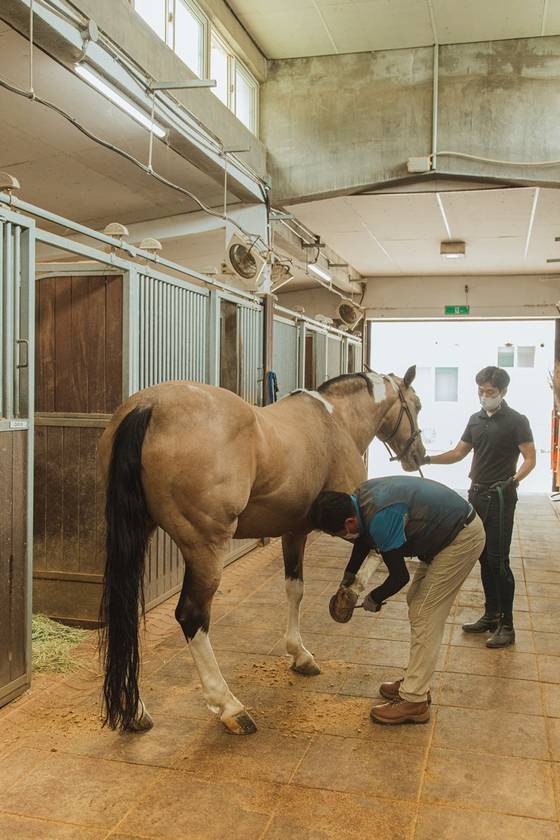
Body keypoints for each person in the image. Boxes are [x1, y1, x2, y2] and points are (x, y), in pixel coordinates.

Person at [310, 476, 485, 726]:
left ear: (349, 521)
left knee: (425, 612)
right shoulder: (360, 496)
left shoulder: (381, 517)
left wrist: (374, 598)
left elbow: (399, 577)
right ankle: (417, 681)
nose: (343, 537)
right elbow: (362, 540)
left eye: (339, 534)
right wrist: (347, 581)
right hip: (443, 534)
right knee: (418, 603)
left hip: (460, 539)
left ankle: (414, 701)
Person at [422, 366, 536, 648]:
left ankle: (507, 626)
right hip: (476, 496)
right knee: (483, 557)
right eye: (481, 392)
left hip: (500, 498)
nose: (485, 397)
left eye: (491, 393)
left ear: (503, 392)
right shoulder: (475, 420)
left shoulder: (517, 421)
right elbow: (459, 453)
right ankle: (491, 614)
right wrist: (426, 460)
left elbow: (530, 459)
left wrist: (513, 481)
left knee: (499, 560)